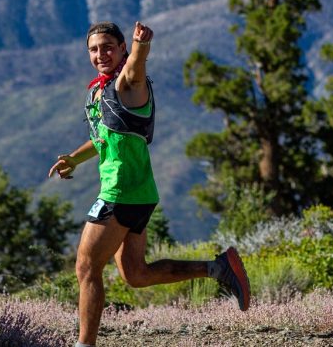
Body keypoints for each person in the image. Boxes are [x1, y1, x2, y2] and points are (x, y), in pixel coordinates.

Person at [49, 21, 250, 347]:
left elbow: (136, 70)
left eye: (109, 47)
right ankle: (218, 268)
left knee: (87, 267)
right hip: (139, 193)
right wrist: (73, 158)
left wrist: (142, 46)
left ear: (122, 48)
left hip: (121, 192)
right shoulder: (98, 90)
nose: (101, 54)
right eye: (94, 49)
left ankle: (84, 344)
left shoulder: (127, 85)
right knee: (135, 274)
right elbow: (102, 138)